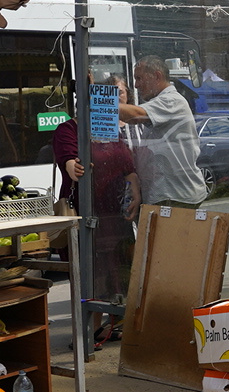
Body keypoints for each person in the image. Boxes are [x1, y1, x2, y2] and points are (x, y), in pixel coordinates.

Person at [53, 75, 140, 304]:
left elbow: (128, 167)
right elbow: (70, 164)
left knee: (119, 276)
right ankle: (90, 332)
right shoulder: (67, 130)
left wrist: (135, 193)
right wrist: (77, 167)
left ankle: (117, 326)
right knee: (92, 280)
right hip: (86, 218)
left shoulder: (108, 130)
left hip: (115, 218)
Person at [118, 56, 208, 208]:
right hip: (164, 195)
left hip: (174, 196)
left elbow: (135, 115)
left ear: (157, 76)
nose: (136, 85)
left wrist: (96, 100)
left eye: (139, 78)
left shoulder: (172, 100)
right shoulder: (159, 102)